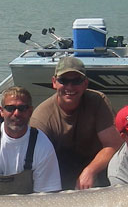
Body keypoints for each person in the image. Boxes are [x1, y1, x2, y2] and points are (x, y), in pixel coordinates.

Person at [30, 56, 122, 190]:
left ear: (85, 83)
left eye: (76, 81)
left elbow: (113, 145)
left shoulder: (98, 101)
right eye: (64, 81)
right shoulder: (41, 118)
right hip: (57, 173)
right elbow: (37, 162)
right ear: (54, 82)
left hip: (96, 170)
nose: (70, 87)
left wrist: (90, 171)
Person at [0, 86, 61, 194]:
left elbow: (45, 195)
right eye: (10, 108)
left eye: (22, 108)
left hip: (30, 204)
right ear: (1, 111)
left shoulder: (43, 145)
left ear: (30, 111)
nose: (16, 113)